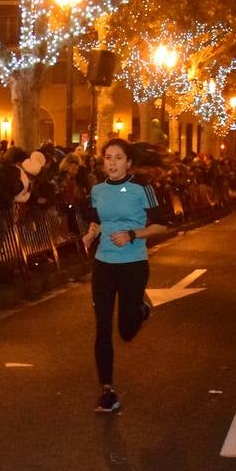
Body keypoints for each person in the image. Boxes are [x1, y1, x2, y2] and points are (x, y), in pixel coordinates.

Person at [82, 138, 170, 414]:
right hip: (104, 263)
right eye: (108, 158)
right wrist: (92, 232)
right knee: (103, 327)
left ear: (128, 162)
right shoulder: (96, 190)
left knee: (127, 331)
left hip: (133, 263)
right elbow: (97, 219)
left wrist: (133, 234)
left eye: (118, 158)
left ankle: (141, 309)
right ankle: (107, 391)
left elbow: (162, 226)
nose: (113, 163)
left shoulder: (142, 188)